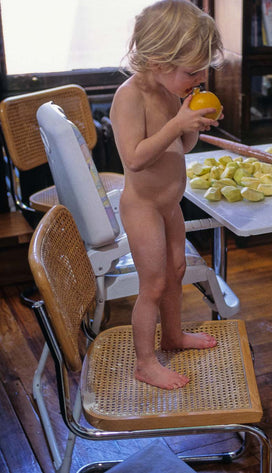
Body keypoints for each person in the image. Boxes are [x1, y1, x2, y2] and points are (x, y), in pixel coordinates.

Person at [110, 0, 224, 389]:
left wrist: (193, 123)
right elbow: (135, 158)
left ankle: (173, 336)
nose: (201, 76)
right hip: (142, 207)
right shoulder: (131, 97)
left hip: (169, 204)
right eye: (192, 71)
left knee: (176, 272)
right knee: (154, 285)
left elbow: (184, 145)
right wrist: (178, 122)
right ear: (158, 63)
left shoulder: (170, 89)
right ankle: (145, 362)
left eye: (203, 67)